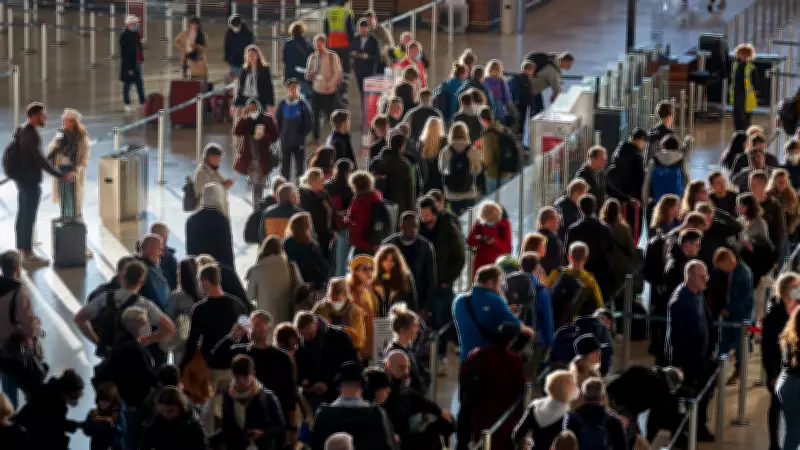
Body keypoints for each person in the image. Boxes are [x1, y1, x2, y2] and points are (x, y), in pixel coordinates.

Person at [180, 263, 251, 431]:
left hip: (210, 367)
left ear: (205, 282)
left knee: (209, 414)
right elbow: (246, 336)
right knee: (234, 410)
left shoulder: (200, 309)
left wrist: (182, 367)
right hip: (233, 365)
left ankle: (211, 439)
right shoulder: (237, 304)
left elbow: (192, 342)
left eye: (199, 281)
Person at [7, 103, 70, 265]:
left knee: (23, 215)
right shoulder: (32, 135)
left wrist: (54, 149)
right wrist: (59, 175)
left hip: (22, 179)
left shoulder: (22, 130)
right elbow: (40, 160)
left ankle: (22, 250)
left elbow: (36, 158)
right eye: (43, 115)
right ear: (34, 117)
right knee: (28, 217)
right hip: (29, 181)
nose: (45, 117)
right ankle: (28, 254)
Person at [73, 260, 175, 358]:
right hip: (133, 356)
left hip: (109, 355)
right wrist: (147, 339)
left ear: (124, 277)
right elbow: (169, 328)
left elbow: (79, 318)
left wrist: (97, 341)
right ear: (141, 281)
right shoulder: (144, 304)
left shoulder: (105, 297)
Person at [666, 260, 716, 441]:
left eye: (706, 276)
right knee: (684, 397)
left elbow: (707, 322)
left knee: (704, 392)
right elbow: (675, 336)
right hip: (687, 361)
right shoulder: (679, 301)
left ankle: (698, 426)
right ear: (690, 277)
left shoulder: (697, 294)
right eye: (702, 277)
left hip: (700, 358)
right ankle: (683, 432)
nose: (706, 279)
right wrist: (678, 364)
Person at [457, 323, 524, 450]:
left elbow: (464, 375)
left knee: (480, 442)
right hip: (503, 415)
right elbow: (520, 390)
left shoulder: (478, 354)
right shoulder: (515, 361)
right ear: (512, 341)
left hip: (479, 409)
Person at [100, 306, 159, 449]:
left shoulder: (121, 340)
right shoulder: (133, 348)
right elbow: (146, 374)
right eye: (144, 322)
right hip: (133, 399)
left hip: (123, 397)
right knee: (132, 437)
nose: (147, 325)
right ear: (134, 324)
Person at [453, 265, 534, 361]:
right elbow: (521, 328)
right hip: (488, 360)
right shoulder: (495, 300)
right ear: (490, 282)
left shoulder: (459, 300)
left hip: (466, 359)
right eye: (500, 283)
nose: (501, 287)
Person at [310, 362, 397, 450]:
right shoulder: (376, 414)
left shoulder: (323, 415)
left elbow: (315, 445)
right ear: (362, 385)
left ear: (339, 385)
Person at [212, 354, 286, 450]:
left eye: (245, 376)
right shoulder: (228, 397)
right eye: (238, 377)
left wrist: (263, 434)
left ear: (253, 374)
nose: (241, 381)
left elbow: (280, 428)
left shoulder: (267, 397)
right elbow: (226, 429)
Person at [384, 350, 453, 450]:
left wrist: (440, 412)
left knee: (447, 422)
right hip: (393, 442)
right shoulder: (381, 391)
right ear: (387, 366)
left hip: (408, 439)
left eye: (407, 368)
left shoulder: (405, 390)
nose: (406, 372)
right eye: (401, 367)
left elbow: (422, 402)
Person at [762, 272, 800, 450]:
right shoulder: (774, 315)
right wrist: (772, 374)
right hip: (780, 370)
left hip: (794, 368)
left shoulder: (797, 310)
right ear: (785, 290)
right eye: (795, 286)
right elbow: (768, 348)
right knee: (776, 406)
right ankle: (774, 443)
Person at [294, 311, 359, 408]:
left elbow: (351, 366)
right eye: (303, 335)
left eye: (310, 334)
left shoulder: (339, 336)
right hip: (312, 395)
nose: (307, 338)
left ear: (316, 323)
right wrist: (305, 383)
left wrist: (330, 385)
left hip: (337, 394)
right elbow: (300, 368)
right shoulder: (300, 343)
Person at [0, 250, 40, 407]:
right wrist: (36, 324)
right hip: (16, 350)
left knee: (8, 390)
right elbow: (29, 327)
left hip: (1, 351)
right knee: (31, 385)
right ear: (17, 268)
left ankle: (9, 415)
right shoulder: (19, 293)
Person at [606, 365, 684, 441]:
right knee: (631, 436)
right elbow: (654, 419)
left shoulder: (648, 370)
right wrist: (648, 440)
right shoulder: (661, 386)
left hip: (607, 396)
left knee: (633, 435)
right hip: (618, 404)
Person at [713, 248, 754, 385]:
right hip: (731, 314)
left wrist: (729, 309)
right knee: (723, 342)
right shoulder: (734, 271)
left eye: (722, 267)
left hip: (741, 315)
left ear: (728, 261)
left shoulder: (744, 273)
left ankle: (738, 371)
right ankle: (718, 371)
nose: (722, 270)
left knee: (739, 344)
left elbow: (744, 298)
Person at [13, 369, 84, 449]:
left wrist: (76, 425)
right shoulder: (49, 402)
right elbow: (50, 428)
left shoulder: (51, 394)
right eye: (74, 397)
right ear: (65, 391)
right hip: (28, 438)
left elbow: (56, 422)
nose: (76, 401)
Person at [383, 212, 437, 312]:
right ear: (401, 226)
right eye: (410, 226)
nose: (413, 229)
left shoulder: (425, 247)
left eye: (416, 226)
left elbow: (431, 279)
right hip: (393, 301)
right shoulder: (388, 245)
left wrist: (426, 308)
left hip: (418, 300)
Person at [46, 108, 90, 227]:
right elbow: (50, 149)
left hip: (73, 170)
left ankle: (72, 218)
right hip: (61, 169)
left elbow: (84, 159)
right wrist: (56, 144)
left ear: (73, 122)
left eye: (66, 120)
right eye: (64, 120)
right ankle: (64, 216)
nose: (64, 122)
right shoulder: (61, 134)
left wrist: (75, 171)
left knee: (71, 195)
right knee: (62, 194)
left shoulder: (81, 138)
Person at [565, 195, 614, 300]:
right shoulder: (605, 228)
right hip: (602, 272)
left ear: (580, 209)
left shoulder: (573, 229)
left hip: (581, 272)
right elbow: (611, 249)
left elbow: (567, 252)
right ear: (595, 207)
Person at [512, 370, 577, 450]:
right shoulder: (568, 416)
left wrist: (524, 445)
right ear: (566, 389)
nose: (576, 388)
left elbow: (517, 434)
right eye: (573, 385)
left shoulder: (535, 406)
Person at [246, 236, 303, 322]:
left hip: (264, 321)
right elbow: (300, 290)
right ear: (281, 250)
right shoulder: (291, 267)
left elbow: (250, 296)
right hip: (287, 318)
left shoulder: (255, 270)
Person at [233, 98, 278, 205]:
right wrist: (242, 117)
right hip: (249, 157)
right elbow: (236, 131)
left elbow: (275, 136)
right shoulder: (246, 120)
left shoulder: (267, 119)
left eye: (253, 107)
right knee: (256, 185)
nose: (251, 110)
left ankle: (257, 206)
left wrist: (264, 135)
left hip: (263, 157)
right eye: (249, 108)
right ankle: (258, 205)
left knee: (258, 185)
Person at [546, 243, 605, 324]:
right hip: (576, 325)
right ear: (586, 258)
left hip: (554, 322)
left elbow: (545, 296)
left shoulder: (556, 273)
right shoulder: (589, 279)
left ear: (569, 256)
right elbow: (599, 305)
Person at [562, 377, 628, 450]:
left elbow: (565, 446)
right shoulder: (614, 421)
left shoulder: (571, 418)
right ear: (603, 396)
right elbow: (622, 447)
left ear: (583, 395)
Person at [140, 387, 208, 450]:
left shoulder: (192, 425)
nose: (166, 414)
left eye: (171, 411)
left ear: (181, 406)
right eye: (162, 410)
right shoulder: (155, 424)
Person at [313, 277, 369, 354]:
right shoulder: (320, 309)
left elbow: (360, 338)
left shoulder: (355, 312)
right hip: (323, 351)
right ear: (329, 295)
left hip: (347, 352)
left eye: (339, 300)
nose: (336, 302)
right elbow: (310, 329)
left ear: (346, 295)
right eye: (333, 298)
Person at [642, 135, 691, 221]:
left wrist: (645, 203)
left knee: (656, 227)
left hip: (657, 204)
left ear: (662, 146)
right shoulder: (682, 161)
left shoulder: (653, 161)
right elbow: (687, 182)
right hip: (677, 205)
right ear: (677, 147)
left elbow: (647, 184)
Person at [186, 183, 235, 269]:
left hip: (198, 267)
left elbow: (190, 250)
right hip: (216, 269)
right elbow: (226, 250)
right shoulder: (221, 219)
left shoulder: (192, 219)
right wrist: (230, 271)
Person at [607, 128, 646, 234]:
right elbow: (639, 180)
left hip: (618, 197)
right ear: (640, 140)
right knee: (633, 229)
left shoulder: (618, 152)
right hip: (632, 200)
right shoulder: (636, 156)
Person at [440, 122, 483, 215]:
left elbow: (442, 169)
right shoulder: (472, 150)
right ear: (466, 133)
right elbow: (478, 170)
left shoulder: (445, 151)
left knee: (454, 218)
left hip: (452, 193)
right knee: (469, 218)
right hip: (469, 192)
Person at [369, 131, 416, 216]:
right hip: (399, 205)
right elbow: (409, 190)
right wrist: (411, 211)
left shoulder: (376, 162)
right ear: (402, 146)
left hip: (379, 205)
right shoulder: (404, 165)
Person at [307, 34, 343, 141]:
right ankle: (315, 138)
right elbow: (309, 72)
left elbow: (337, 73)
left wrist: (329, 85)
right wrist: (309, 76)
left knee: (332, 116)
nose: (318, 47)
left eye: (320, 44)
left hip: (330, 92)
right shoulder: (312, 57)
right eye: (316, 44)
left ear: (325, 44)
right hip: (317, 91)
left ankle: (336, 137)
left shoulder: (332, 56)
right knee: (314, 115)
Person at [479, 107, 521, 193]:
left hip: (492, 174)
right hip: (506, 172)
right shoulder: (504, 130)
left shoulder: (487, 135)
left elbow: (488, 159)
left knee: (492, 199)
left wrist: (481, 160)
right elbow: (516, 146)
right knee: (504, 197)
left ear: (482, 120)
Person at [283, 212, 330, 289]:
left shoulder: (287, 242)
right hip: (308, 283)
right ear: (306, 226)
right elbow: (323, 267)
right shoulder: (311, 245)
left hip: (291, 281)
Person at [299, 168, 337, 262]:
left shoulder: (323, 194)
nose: (324, 182)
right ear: (314, 181)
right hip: (315, 235)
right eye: (321, 180)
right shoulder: (306, 197)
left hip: (325, 235)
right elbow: (316, 219)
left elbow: (332, 210)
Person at [601, 198, 635, 300]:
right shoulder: (624, 229)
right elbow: (631, 250)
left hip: (605, 266)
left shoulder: (601, 228)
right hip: (621, 266)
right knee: (620, 297)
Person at [467, 201, 512, 278]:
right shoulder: (480, 222)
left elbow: (507, 247)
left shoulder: (504, 225)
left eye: (491, 220)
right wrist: (480, 238)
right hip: (481, 263)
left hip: (497, 264)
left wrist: (494, 242)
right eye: (486, 220)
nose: (488, 222)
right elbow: (469, 241)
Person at [327, 159, 356, 276]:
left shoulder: (328, 186)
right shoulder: (350, 189)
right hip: (343, 226)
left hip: (329, 225)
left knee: (331, 257)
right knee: (342, 260)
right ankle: (339, 281)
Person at [371, 244, 417, 315]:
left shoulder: (405, 278)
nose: (389, 263)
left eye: (392, 260)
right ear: (379, 260)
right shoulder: (373, 279)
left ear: (397, 262)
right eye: (385, 259)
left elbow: (413, 306)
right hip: (377, 320)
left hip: (399, 320)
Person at [345, 170, 384, 255]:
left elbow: (376, 223)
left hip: (365, 242)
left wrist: (348, 222)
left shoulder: (364, 201)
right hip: (366, 241)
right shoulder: (371, 197)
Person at [777, 305, 800, 450]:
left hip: (785, 383)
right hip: (795, 385)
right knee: (794, 432)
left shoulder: (789, 336)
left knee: (792, 431)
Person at [767, 168, 800, 259]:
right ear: (774, 182)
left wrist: (790, 229)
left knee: (788, 258)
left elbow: (796, 214)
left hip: (789, 232)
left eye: (784, 181)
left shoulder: (792, 195)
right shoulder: (768, 195)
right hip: (773, 232)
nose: (782, 184)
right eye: (780, 182)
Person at [193, 143, 233, 216]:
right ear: (210, 157)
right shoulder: (202, 172)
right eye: (218, 158)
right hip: (209, 214)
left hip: (216, 211)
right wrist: (224, 186)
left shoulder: (211, 169)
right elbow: (206, 193)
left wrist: (224, 184)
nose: (219, 161)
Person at [234, 45, 275, 113]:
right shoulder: (244, 70)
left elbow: (269, 88)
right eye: (249, 55)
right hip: (246, 99)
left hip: (259, 100)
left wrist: (271, 104)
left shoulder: (265, 70)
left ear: (258, 56)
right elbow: (240, 88)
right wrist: (235, 104)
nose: (251, 57)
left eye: (253, 55)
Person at [351, 18, 381, 103]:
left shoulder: (374, 40)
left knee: (368, 93)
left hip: (369, 70)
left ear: (368, 28)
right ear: (358, 29)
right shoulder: (355, 38)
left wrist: (368, 56)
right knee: (361, 92)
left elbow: (377, 57)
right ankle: (363, 107)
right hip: (358, 69)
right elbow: (350, 51)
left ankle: (368, 107)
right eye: (361, 29)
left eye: (365, 28)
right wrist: (353, 53)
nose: (363, 31)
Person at [730, 43, 759, 131]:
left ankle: (745, 132)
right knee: (737, 115)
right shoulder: (735, 65)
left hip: (746, 95)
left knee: (745, 116)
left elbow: (755, 82)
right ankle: (738, 132)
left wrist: (756, 92)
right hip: (736, 93)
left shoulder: (751, 67)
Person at [119, 15, 145, 112]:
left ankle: (142, 102)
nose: (136, 25)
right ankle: (127, 103)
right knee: (127, 84)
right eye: (134, 24)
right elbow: (125, 54)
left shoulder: (135, 34)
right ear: (129, 25)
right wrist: (129, 68)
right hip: (129, 65)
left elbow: (138, 49)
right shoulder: (125, 36)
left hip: (137, 63)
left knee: (139, 83)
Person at [283, 21, 314, 94]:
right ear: (302, 30)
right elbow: (312, 57)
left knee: (293, 94)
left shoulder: (288, 43)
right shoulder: (308, 42)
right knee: (305, 94)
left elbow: (284, 59)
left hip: (290, 73)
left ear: (292, 31)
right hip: (303, 72)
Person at [509, 60, 536, 135]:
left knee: (515, 120)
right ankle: (520, 136)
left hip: (514, 102)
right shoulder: (528, 80)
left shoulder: (514, 78)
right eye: (532, 71)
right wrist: (532, 108)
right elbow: (530, 94)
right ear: (527, 70)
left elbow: (509, 89)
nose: (532, 73)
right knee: (522, 122)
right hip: (524, 104)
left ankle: (514, 134)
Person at [536, 207, 562, 275]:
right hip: (550, 277)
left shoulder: (532, 237)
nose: (559, 222)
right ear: (549, 220)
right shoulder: (552, 239)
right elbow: (553, 263)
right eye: (557, 219)